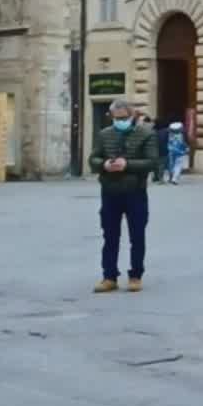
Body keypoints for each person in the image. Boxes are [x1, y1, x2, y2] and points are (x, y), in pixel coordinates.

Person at [87, 98, 159, 293]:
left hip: (135, 192)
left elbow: (152, 162)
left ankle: (136, 276)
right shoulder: (104, 134)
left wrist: (127, 165)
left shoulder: (146, 134)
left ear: (132, 116)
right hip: (110, 192)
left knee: (137, 235)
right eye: (116, 118)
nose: (120, 121)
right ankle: (109, 277)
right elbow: (93, 158)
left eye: (124, 117)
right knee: (109, 235)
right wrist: (104, 165)